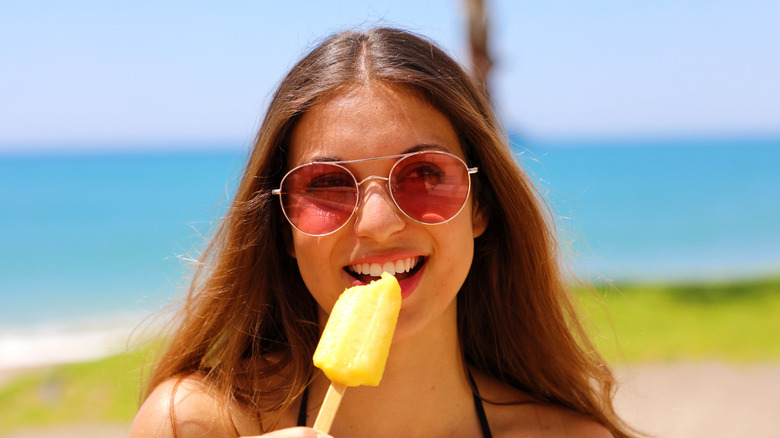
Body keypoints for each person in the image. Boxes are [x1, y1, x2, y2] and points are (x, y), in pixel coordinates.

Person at [129, 27, 635, 437]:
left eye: (423, 174)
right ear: (283, 226)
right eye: (327, 184)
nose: (377, 223)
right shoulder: (190, 425)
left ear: (480, 205)